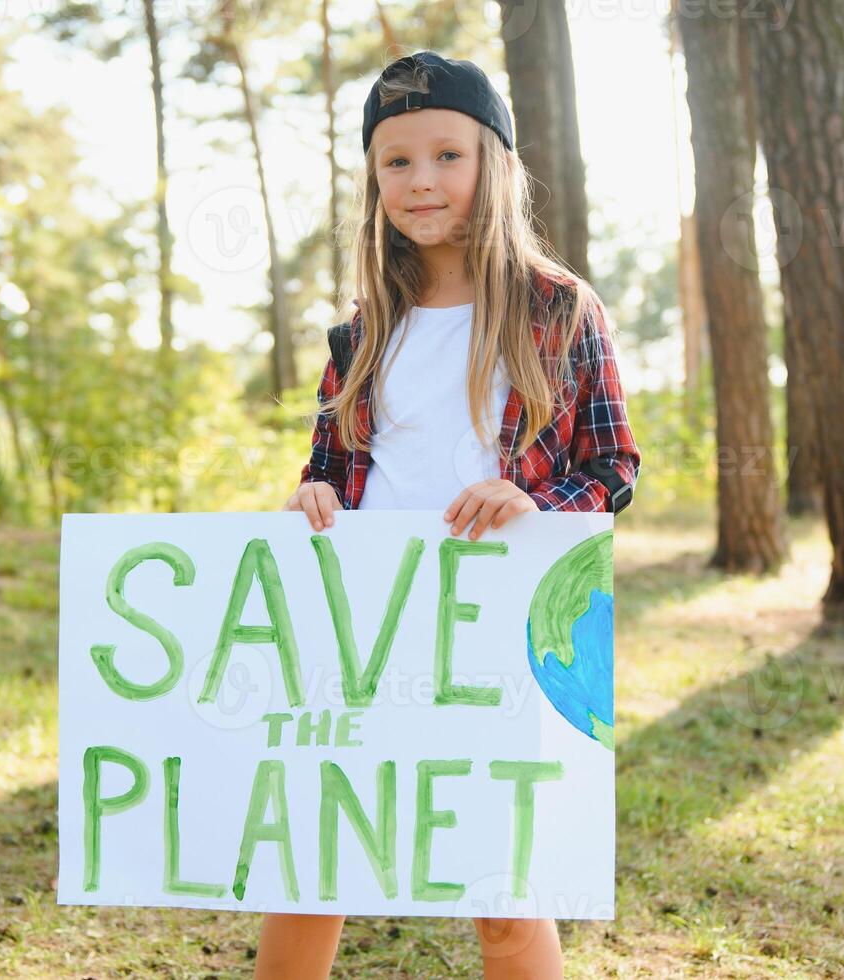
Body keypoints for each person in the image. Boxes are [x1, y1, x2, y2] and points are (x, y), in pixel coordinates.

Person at [269, 50, 641, 979]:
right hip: (365, 626)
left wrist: (534, 500)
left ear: (494, 165)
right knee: (312, 865)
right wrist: (312, 495)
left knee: (500, 888)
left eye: (446, 155)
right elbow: (327, 467)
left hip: (490, 634)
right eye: (396, 161)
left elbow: (612, 466)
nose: (420, 180)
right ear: (372, 178)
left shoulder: (557, 310)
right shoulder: (362, 330)